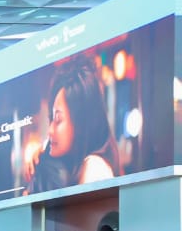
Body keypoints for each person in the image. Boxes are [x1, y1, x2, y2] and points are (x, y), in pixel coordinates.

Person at [24, 57, 119, 192]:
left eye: (58, 119)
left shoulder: (95, 169)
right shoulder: (75, 167)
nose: (50, 130)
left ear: (81, 122)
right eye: (51, 119)